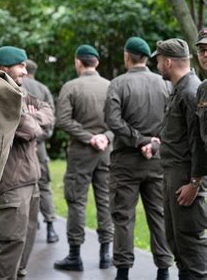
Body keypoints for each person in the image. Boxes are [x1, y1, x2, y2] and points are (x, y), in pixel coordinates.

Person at [105, 37, 173, 280]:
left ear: (127, 56)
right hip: (157, 161)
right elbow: (172, 120)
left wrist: (139, 140)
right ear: (146, 58)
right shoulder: (165, 84)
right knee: (159, 214)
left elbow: (113, 121)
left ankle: (122, 272)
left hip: (126, 162)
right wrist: (153, 142)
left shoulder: (118, 84)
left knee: (123, 217)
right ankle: (164, 270)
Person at [0, 46, 53, 279]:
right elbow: (29, 128)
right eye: (21, 65)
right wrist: (33, 119)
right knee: (12, 240)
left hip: (30, 177)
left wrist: (32, 117)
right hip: (12, 179)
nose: (26, 71)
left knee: (27, 235)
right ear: (5, 68)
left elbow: (47, 113)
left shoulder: (19, 90)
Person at [54, 44, 114, 272]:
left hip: (81, 153)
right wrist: (105, 137)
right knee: (105, 201)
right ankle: (106, 255)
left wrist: (89, 138)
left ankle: (75, 256)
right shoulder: (110, 86)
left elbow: (63, 120)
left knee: (77, 202)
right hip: (105, 152)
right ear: (96, 63)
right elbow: (117, 121)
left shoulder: (71, 87)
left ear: (78, 62)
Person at [154, 38, 206, 280]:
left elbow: (198, 142)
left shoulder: (189, 90)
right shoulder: (181, 88)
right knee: (177, 241)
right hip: (174, 173)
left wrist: (194, 183)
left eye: (158, 60)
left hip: (185, 175)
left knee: (190, 243)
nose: (156, 65)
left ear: (167, 62)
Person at [21, 59, 59, 243]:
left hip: (18, 147)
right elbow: (51, 120)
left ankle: (29, 224)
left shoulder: (14, 84)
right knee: (44, 186)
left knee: (19, 186)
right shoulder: (43, 89)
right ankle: (51, 226)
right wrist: (39, 136)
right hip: (40, 147)